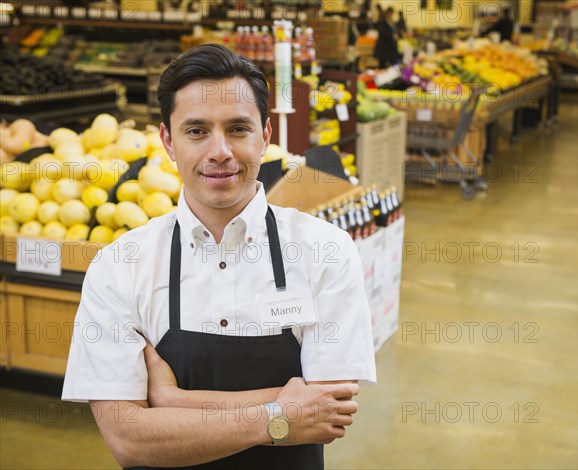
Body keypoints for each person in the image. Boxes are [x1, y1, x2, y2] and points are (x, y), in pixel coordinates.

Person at [62, 44, 376, 469]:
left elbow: (328, 412)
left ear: (265, 136)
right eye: (196, 131)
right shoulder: (120, 265)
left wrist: (171, 401)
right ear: (168, 142)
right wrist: (280, 415)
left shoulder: (325, 251)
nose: (219, 152)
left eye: (237, 129)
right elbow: (127, 439)